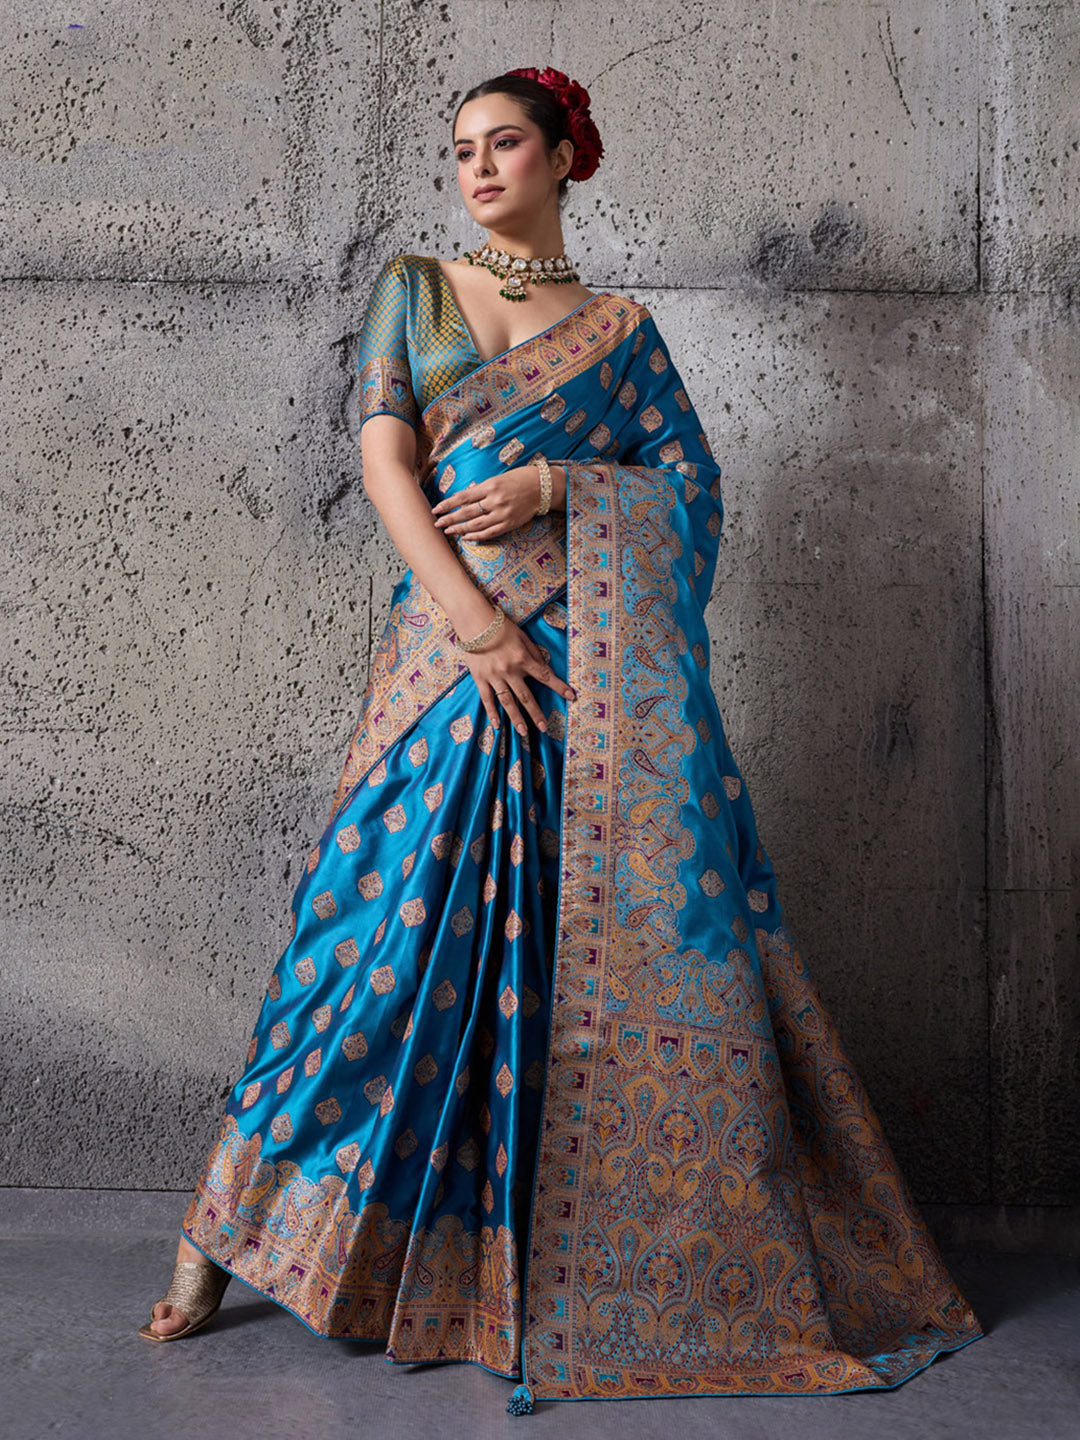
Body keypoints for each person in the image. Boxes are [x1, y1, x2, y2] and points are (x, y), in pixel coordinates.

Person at [140, 66, 984, 1413]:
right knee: (365, 958)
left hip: (587, 695)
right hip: (452, 673)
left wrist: (557, 486)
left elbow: (691, 492)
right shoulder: (418, 289)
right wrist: (474, 622)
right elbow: (385, 464)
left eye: (503, 144)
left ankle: (510, 1268)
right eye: (461, 150)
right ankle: (218, 1237)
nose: (477, 169)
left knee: (553, 974)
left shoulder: (622, 333)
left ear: (564, 157)